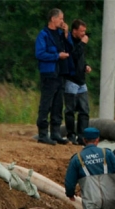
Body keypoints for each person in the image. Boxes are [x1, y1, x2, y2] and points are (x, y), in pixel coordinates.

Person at [35, 8, 70, 145]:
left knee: (57, 104)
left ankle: (55, 133)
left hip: (60, 73)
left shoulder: (61, 35)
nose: (62, 21)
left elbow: (69, 47)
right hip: (48, 73)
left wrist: (66, 33)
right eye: (61, 18)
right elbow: (39, 53)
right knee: (46, 103)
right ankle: (43, 133)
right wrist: (56, 56)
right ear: (53, 19)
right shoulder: (43, 35)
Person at [64, 19, 92, 146]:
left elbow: (80, 58)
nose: (84, 34)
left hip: (81, 81)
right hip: (71, 80)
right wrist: (82, 43)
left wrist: (85, 66)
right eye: (81, 31)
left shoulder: (81, 43)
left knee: (84, 111)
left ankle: (82, 137)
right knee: (70, 110)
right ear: (74, 31)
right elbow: (73, 55)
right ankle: (71, 136)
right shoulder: (69, 40)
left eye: (84, 31)